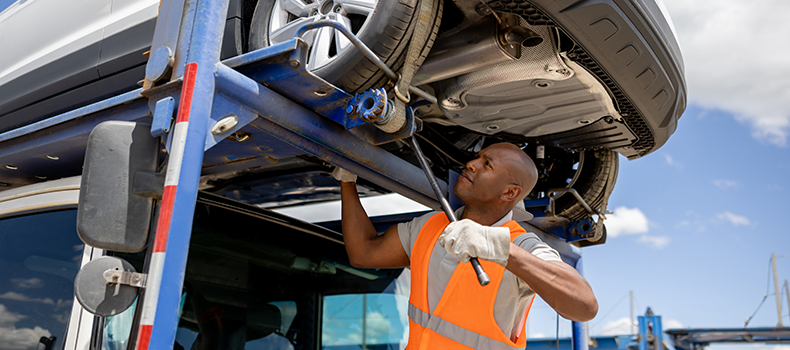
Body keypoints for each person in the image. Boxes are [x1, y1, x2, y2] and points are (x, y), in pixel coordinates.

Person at [334, 142, 598, 349]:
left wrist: (499, 248)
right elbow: (364, 253)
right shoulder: (430, 226)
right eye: (477, 157)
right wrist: (348, 181)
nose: (471, 164)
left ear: (510, 193)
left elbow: (584, 306)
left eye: (487, 165)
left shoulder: (521, 244)